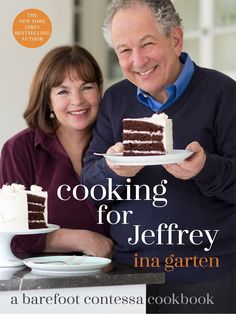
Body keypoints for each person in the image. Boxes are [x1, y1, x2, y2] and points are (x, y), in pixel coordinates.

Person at [81, 0, 236, 312]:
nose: (137, 60)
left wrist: (205, 169)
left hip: (206, 274)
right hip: (129, 276)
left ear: (175, 39)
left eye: (147, 44)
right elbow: (90, 186)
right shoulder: (115, 100)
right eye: (124, 50)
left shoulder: (222, 93)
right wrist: (114, 169)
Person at [0, 45, 113, 259]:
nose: (77, 100)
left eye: (87, 87)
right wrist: (84, 240)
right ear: (48, 100)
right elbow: (12, 234)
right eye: (63, 91)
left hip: (124, 279)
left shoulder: (119, 145)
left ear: (99, 90)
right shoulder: (20, 150)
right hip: (44, 285)